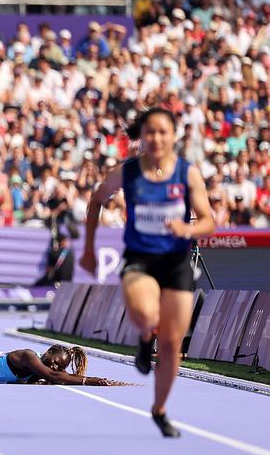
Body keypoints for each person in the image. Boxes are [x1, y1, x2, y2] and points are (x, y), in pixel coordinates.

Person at [82, 107, 215, 438]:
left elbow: (209, 219)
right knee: (144, 314)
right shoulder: (127, 172)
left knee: (172, 343)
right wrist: (88, 249)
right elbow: (96, 200)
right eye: (150, 132)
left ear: (173, 137)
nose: (156, 138)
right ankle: (143, 337)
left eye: (163, 132)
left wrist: (187, 229)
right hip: (140, 259)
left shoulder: (188, 173)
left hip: (176, 262)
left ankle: (160, 409)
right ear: (141, 137)